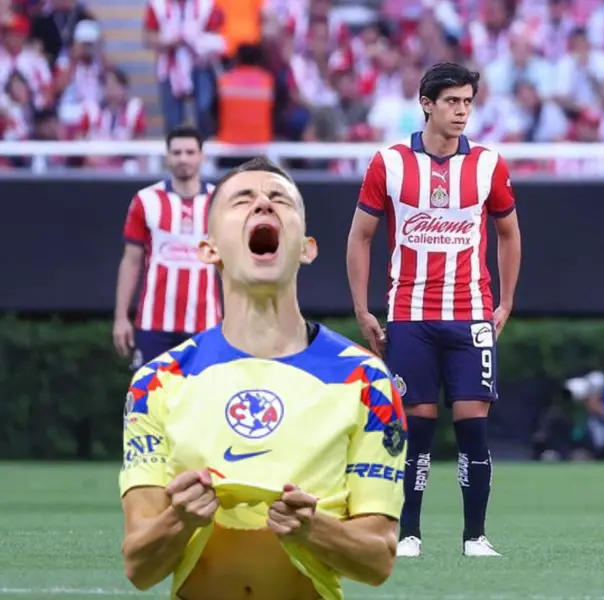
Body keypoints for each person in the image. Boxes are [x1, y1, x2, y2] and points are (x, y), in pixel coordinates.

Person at [119, 158, 406, 600]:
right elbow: (138, 566)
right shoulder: (156, 382)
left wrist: (312, 529)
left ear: (307, 248)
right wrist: (182, 519)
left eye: (278, 200)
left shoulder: (365, 379)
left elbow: (379, 559)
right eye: (242, 200)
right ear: (209, 248)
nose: (262, 206)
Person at [348, 61, 522, 558]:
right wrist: (363, 310)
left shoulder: (488, 164)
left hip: (470, 314)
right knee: (417, 428)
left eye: (468, 101)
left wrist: (506, 301)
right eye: (452, 101)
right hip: (409, 315)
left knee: (473, 426)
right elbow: (360, 237)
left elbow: (508, 234)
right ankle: (408, 534)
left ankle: (475, 536)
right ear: (426, 104)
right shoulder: (389, 163)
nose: (462, 111)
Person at [113, 125, 220, 370]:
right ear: (167, 156)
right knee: (149, 403)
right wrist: (121, 317)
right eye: (177, 152)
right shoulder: (146, 200)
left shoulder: (220, 202)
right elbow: (131, 261)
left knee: (201, 404)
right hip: (154, 324)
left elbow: (234, 265)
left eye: (190, 152)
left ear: (202, 156)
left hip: (205, 325)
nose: (184, 159)